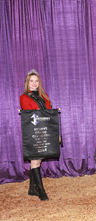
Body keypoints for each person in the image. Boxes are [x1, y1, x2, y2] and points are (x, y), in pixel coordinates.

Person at [20, 69, 52, 201]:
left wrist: (55, 133)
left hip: (45, 130)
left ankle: (32, 188)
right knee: (35, 160)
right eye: (31, 81)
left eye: (36, 81)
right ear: (27, 83)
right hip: (33, 132)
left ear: (39, 83)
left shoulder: (45, 96)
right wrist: (38, 111)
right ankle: (41, 191)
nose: (34, 83)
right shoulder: (24, 97)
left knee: (38, 159)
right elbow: (29, 113)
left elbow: (50, 115)